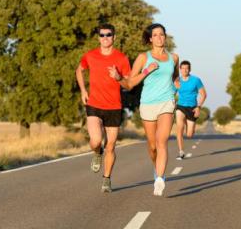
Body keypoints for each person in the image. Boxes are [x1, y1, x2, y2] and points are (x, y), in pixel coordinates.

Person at [109, 23, 179, 196]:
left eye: (162, 34)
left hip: (167, 102)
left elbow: (175, 76)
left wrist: (177, 84)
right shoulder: (143, 57)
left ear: (165, 36)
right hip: (148, 104)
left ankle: (160, 179)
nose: (159, 37)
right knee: (153, 146)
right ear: (150, 39)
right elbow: (131, 83)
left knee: (162, 142)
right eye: (155, 35)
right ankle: (156, 169)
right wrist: (144, 71)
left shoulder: (174, 58)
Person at [75, 24, 131, 193]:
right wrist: (83, 90)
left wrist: (118, 77)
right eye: (102, 35)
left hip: (114, 107)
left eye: (108, 34)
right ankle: (97, 153)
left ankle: (106, 179)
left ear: (114, 37)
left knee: (111, 146)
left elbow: (128, 84)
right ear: (98, 37)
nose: (105, 37)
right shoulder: (90, 56)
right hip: (94, 104)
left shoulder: (122, 58)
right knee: (96, 141)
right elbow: (79, 70)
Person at [174, 60, 207, 160]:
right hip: (180, 106)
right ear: (180, 69)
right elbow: (172, 94)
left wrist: (199, 107)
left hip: (192, 108)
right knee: (179, 129)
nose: (185, 70)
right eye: (183, 68)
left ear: (190, 69)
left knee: (189, 134)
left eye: (187, 68)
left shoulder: (196, 80)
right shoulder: (177, 81)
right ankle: (181, 152)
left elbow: (204, 94)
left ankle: (187, 123)